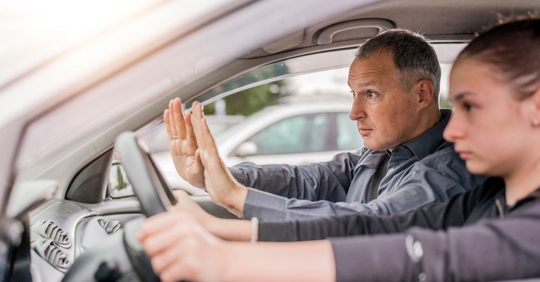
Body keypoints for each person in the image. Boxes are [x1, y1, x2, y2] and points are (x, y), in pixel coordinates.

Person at [139, 19, 540, 281]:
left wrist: (226, 249)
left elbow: (403, 242)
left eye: (470, 106)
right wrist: (221, 193)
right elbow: (319, 185)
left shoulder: (454, 171)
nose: (353, 112)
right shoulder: (383, 153)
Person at [165, 29, 485, 220]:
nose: (354, 111)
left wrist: (238, 197)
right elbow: (308, 180)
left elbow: (372, 222)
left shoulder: (448, 175)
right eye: (353, 95)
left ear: (422, 95)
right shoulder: (381, 153)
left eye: (370, 94)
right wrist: (218, 175)